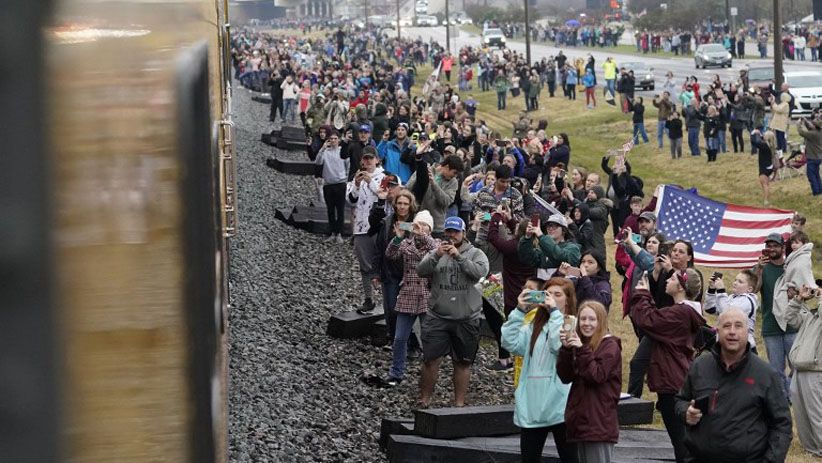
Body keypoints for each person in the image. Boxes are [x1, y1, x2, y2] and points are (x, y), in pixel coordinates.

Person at [675, 309, 793, 462]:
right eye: (726, 326)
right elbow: (680, 400)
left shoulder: (765, 374)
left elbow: (782, 425)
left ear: (748, 332)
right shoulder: (700, 365)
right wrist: (686, 412)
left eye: (738, 326)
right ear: (717, 331)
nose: (732, 332)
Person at [631, 269, 705, 463]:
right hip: (676, 379)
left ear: (680, 286)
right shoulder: (683, 311)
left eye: (672, 278)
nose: (667, 281)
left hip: (672, 382)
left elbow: (647, 320)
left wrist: (642, 293)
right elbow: (658, 318)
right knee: (681, 440)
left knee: (681, 443)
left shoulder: (680, 313)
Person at [502, 281, 578, 463]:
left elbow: (557, 344)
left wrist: (554, 314)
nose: (551, 298)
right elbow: (509, 342)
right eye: (547, 294)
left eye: (557, 295)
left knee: (570, 457)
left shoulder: (572, 323)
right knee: (529, 458)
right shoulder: (533, 326)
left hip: (560, 404)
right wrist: (519, 311)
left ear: (567, 300)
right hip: (533, 404)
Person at [417, 216, 490, 407]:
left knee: (463, 362)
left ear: (464, 233)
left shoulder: (476, 253)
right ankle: (424, 400)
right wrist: (436, 256)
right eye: (448, 231)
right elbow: (420, 270)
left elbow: (480, 273)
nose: (451, 235)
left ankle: (459, 404)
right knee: (430, 359)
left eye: (456, 231)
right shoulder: (436, 252)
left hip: (466, 317)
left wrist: (459, 257)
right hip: (437, 316)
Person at [374, 211, 438, 388]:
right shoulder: (405, 243)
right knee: (399, 337)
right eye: (418, 224)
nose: (420, 227)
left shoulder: (435, 243)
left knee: (428, 339)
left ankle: (429, 373)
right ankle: (396, 372)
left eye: (425, 225)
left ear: (430, 228)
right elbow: (390, 254)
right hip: (408, 293)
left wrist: (423, 236)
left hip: (426, 295)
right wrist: (397, 237)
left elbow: (435, 252)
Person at [557, 300, 622, 463]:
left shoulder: (610, 346)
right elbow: (565, 377)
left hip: (599, 424)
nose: (586, 323)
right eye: (583, 319)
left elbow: (597, 375)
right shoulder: (583, 346)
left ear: (601, 321)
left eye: (592, 319)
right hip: (581, 423)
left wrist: (581, 350)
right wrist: (565, 349)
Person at [484, 210, 536, 372]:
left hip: (512, 293)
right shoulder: (535, 246)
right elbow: (520, 233)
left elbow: (493, 238)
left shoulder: (513, 247)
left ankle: (506, 358)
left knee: (504, 323)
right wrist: (511, 220)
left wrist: (496, 217)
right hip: (530, 291)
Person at [752, 233, 796, 402]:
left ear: (782, 248)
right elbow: (754, 289)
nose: (771, 249)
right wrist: (758, 270)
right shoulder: (762, 268)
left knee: (796, 365)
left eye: (775, 245)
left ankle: (793, 397)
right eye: (768, 246)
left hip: (792, 325)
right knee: (776, 369)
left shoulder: (791, 267)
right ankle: (783, 401)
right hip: (771, 327)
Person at [347, 149, 385, 313]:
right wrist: (355, 184)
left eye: (371, 158)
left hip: (378, 226)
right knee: (364, 266)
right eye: (366, 159)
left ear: (377, 160)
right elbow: (350, 200)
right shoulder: (358, 177)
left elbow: (384, 194)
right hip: (361, 227)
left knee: (382, 264)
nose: (368, 162)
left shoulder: (385, 176)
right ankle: (368, 298)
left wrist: (370, 181)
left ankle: (386, 300)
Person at [786, 283, 822, 456]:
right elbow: (790, 317)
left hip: (816, 371)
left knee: (817, 414)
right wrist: (799, 299)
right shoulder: (812, 316)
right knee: (801, 413)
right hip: (800, 369)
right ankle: (811, 449)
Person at [405, 155, 463, 237]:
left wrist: (433, 184)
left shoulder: (453, 182)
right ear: (447, 166)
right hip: (416, 222)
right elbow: (408, 189)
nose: (455, 176)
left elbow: (446, 202)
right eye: (455, 172)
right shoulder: (426, 170)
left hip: (437, 227)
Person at [705, 270, 760, 354]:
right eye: (735, 280)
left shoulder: (748, 300)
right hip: (728, 344)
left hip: (744, 348)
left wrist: (721, 290)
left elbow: (728, 314)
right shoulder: (731, 298)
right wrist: (711, 290)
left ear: (749, 289)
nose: (735, 283)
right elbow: (710, 309)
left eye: (740, 282)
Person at [518, 213, 581, 281]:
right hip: (542, 289)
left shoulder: (573, 248)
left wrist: (541, 236)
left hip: (561, 289)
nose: (550, 229)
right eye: (548, 226)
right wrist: (527, 237)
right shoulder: (543, 247)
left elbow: (560, 257)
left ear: (564, 230)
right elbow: (527, 259)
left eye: (554, 226)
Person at [315, 130, 349, 243]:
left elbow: (347, 165)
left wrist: (347, 180)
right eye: (331, 139)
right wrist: (322, 148)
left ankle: (339, 233)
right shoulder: (325, 152)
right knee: (330, 210)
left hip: (340, 183)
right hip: (328, 184)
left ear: (338, 140)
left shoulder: (342, 151)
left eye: (335, 138)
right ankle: (332, 232)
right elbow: (318, 162)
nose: (333, 141)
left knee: (340, 210)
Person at [797, 112, 822, 196]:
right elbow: (811, 127)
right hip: (818, 157)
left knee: (811, 175)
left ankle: (816, 192)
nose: (812, 124)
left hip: (813, 158)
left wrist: (798, 124)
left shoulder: (813, 134)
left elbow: (801, 132)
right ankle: (819, 190)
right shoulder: (819, 131)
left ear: (815, 126)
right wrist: (805, 121)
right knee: (816, 174)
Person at [751, 129, 777, 206]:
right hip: (769, 167)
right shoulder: (771, 145)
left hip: (764, 168)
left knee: (764, 184)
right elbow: (761, 140)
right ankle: (766, 198)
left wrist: (753, 133)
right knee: (766, 184)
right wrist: (759, 134)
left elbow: (754, 142)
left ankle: (766, 200)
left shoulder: (764, 146)